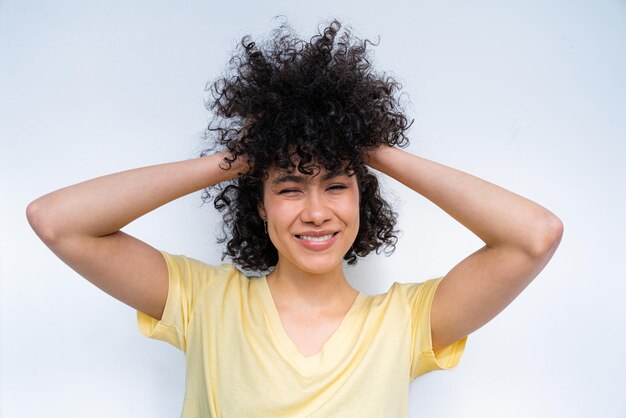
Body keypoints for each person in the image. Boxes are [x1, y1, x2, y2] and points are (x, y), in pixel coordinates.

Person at [26, 19, 563, 417]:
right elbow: (56, 221)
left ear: (362, 199)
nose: (315, 211)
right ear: (259, 204)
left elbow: (535, 236)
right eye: (289, 186)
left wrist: (372, 147)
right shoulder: (203, 302)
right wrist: (236, 159)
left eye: (336, 184)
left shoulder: (406, 323)